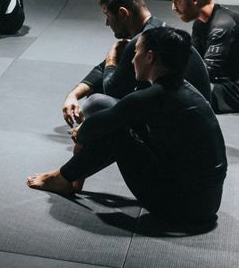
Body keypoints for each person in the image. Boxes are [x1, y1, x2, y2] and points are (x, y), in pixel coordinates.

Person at [28, 26, 227, 232]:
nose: (132, 60)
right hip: (207, 205)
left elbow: (89, 131)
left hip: (179, 209)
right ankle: (67, 177)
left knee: (115, 132)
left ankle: (63, 178)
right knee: (120, 124)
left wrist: (81, 133)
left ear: (149, 57)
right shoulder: (186, 91)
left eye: (136, 52)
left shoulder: (152, 97)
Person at [61, 0, 211, 129]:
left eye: (108, 16)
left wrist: (112, 60)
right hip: (195, 119)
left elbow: (113, 89)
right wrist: (73, 95)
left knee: (95, 103)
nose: (107, 23)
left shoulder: (143, 41)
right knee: (102, 88)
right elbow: (103, 69)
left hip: (179, 124)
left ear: (123, 13)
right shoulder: (156, 30)